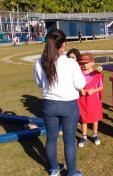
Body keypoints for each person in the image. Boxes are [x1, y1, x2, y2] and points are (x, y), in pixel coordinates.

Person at [34, 29, 86, 176]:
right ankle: (71, 172)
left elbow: (39, 84)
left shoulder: (39, 61)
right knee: (69, 140)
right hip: (68, 106)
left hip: (49, 105)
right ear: (63, 44)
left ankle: (54, 169)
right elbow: (81, 84)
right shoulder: (71, 63)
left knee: (51, 138)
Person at [77, 53, 104, 147]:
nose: (84, 65)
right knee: (84, 119)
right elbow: (76, 84)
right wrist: (81, 90)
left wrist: (93, 90)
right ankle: (84, 136)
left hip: (94, 100)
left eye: (87, 63)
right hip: (82, 100)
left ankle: (95, 135)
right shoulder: (79, 73)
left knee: (95, 118)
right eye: (83, 63)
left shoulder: (97, 74)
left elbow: (101, 87)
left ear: (92, 62)